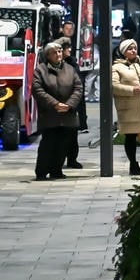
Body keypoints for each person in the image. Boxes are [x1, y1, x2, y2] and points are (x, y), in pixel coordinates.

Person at [32, 40, 82, 181]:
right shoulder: (40, 70)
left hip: (67, 114)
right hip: (50, 114)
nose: (58, 54)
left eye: (59, 51)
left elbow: (78, 88)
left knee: (63, 144)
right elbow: (37, 89)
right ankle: (41, 172)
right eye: (54, 52)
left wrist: (69, 105)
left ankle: (56, 170)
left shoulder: (70, 69)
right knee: (48, 144)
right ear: (48, 55)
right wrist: (55, 104)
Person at [112, 39, 140, 175]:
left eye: (134, 48)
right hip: (129, 109)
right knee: (130, 137)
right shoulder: (116, 67)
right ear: (123, 52)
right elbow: (114, 86)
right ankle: (133, 164)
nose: (133, 51)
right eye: (129, 49)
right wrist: (133, 90)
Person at [54, 39, 83, 168]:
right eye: (66, 48)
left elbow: (78, 86)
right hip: (56, 106)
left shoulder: (72, 64)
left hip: (71, 106)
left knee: (72, 135)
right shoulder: (48, 66)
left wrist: (71, 103)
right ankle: (56, 162)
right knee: (58, 136)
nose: (69, 50)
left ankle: (72, 159)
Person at [60, 20, 89, 133]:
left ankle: (82, 123)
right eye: (67, 28)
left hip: (76, 71)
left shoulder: (77, 40)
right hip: (66, 73)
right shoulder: (60, 41)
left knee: (79, 98)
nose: (69, 31)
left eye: (71, 29)